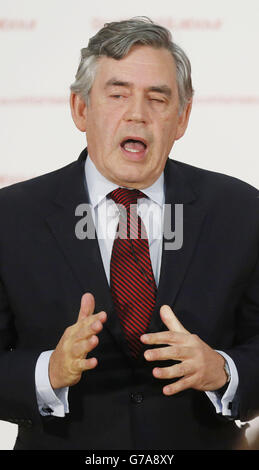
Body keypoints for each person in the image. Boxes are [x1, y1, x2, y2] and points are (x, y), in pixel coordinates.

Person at [0, 17, 258, 451]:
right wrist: (47, 371)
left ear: (182, 117)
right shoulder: (10, 217)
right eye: (118, 94)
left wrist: (224, 370)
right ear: (81, 109)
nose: (137, 113)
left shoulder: (242, 211)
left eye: (157, 99)